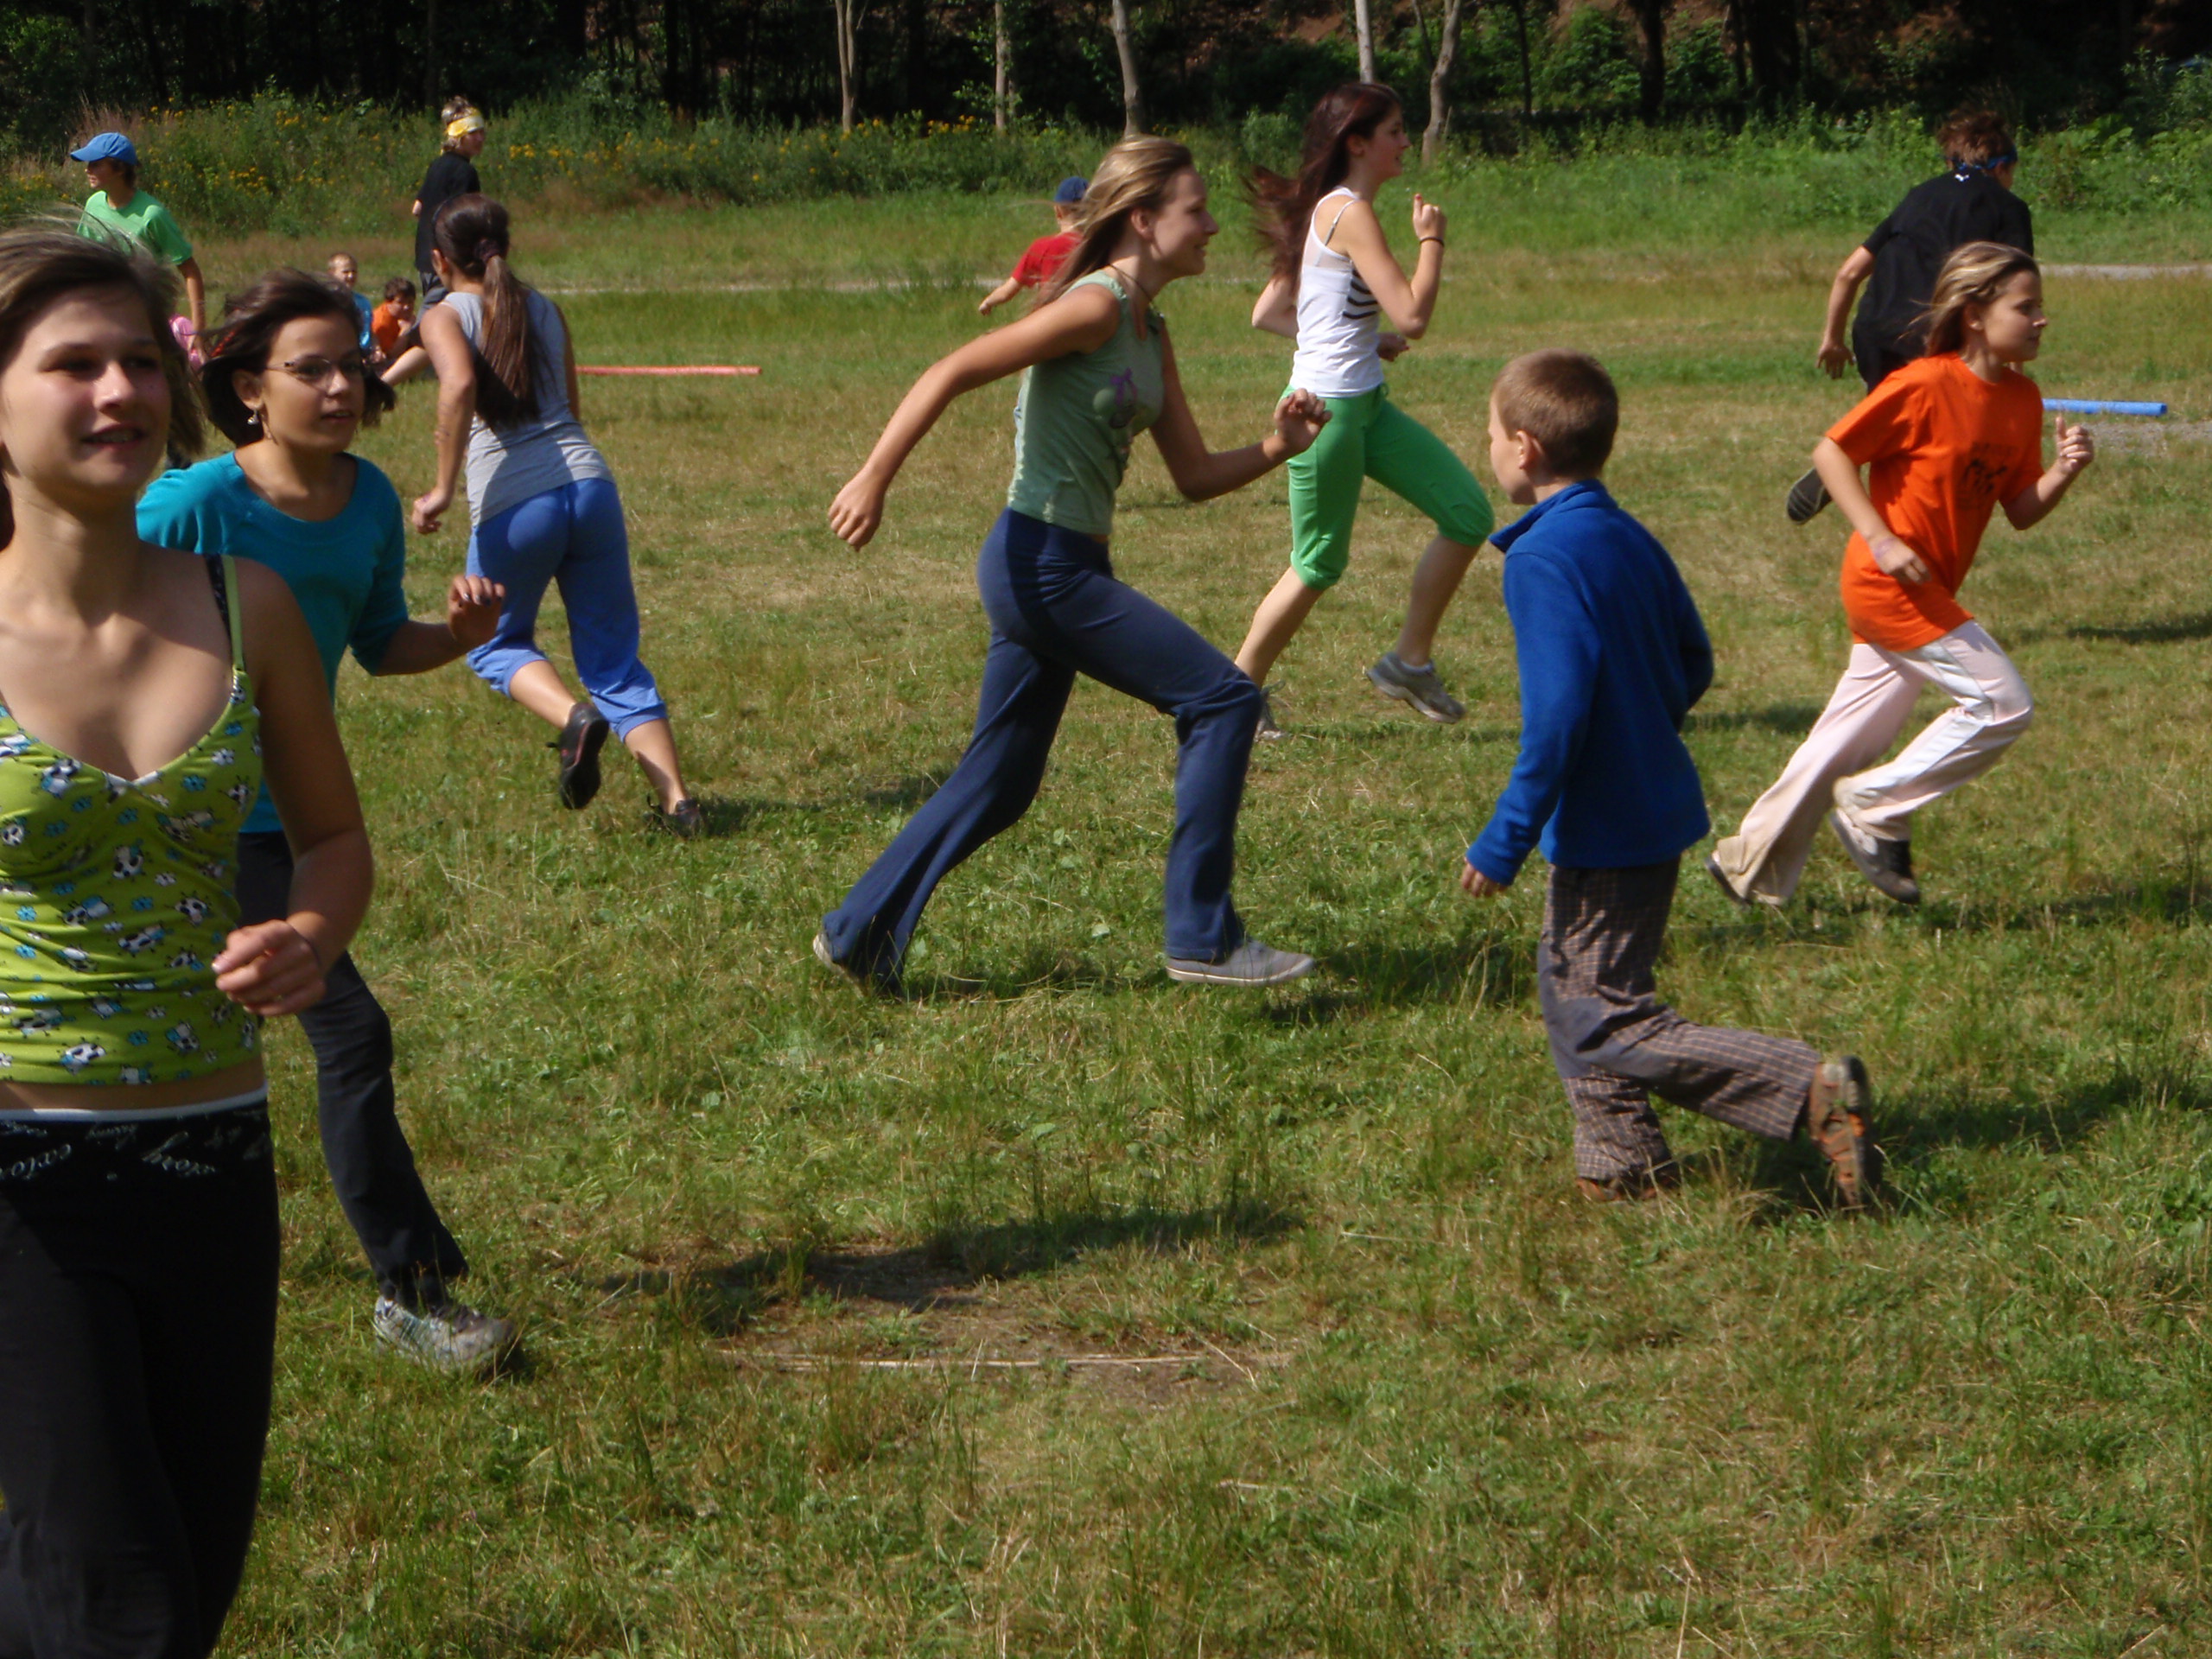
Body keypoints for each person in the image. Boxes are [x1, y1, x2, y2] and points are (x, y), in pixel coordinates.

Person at [0, 226, 372, 1656]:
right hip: (22, 1175)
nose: (119, 392)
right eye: (72, 365)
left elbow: (332, 840)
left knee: (184, 1583)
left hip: (213, 1160)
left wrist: (309, 933)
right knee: (124, 1608)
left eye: (139, 361)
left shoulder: (242, 606)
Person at [817, 137, 1330, 994]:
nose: (1211, 227)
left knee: (1002, 780)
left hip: (1067, 563)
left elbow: (1194, 475)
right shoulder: (1095, 307)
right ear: (1144, 220)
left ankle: (856, 934)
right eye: (1196, 210)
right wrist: (873, 477)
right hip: (1040, 564)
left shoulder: (1150, 329)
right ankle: (1202, 936)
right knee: (1224, 699)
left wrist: (1278, 446)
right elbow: (953, 369)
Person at [138, 268, 521, 1376]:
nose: (342, 386)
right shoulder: (191, 507)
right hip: (176, 822)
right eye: (311, 370)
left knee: (308, 1033)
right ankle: (406, 1288)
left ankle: (400, 1288)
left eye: (351, 365)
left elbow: (377, 642)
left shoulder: (367, 502)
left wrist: (459, 638)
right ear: (249, 390)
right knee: (294, 1036)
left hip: (288, 827)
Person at [1459, 348, 1877, 1209]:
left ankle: (1808, 1085)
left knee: (1600, 1015)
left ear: (1524, 447)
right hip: (1653, 804)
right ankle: (1624, 1162)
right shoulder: (1624, 533)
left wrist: (1504, 840)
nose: (1489, 447)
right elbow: (1693, 659)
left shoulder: (1541, 559)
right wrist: (1644, 728)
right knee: (1575, 988)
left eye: (1491, 434)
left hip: (1604, 822)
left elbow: (1556, 720)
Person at [1709, 244, 2093, 910]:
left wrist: (2063, 470)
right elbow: (1832, 452)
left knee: (1848, 738)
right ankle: (1875, 806)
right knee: (2003, 704)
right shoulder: (1924, 384)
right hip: (1889, 585)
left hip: (1930, 586)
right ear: (1975, 315)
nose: (2041, 320)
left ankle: (1748, 859)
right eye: (2025, 307)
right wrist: (1881, 538)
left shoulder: (2022, 399)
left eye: (2040, 307)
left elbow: (2020, 509)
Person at [411, 194, 702, 833]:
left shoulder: (444, 313)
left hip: (516, 502)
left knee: (492, 642)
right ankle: (679, 804)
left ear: (438, 260)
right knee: (613, 660)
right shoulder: (543, 308)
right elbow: (571, 405)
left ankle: (574, 719)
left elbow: (457, 384)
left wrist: (441, 489)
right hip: (590, 486)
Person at [1235, 83, 1494, 737]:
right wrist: (1432, 242)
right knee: (1318, 563)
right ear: (1357, 142)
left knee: (1468, 514)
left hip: (1367, 405)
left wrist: (1360, 338)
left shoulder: (1329, 209)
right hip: (1326, 415)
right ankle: (1233, 696)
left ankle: (1409, 664)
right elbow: (1413, 315)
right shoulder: (1349, 213)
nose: (1406, 142)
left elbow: (1270, 312)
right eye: (1395, 131)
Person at [1788, 109, 2031, 524]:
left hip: (1874, 329)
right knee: (1943, 429)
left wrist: (1832, 340)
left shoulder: (1918, 196)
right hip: (1935, 334)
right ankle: (1860, 473)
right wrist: (2014, 369)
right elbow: (2013, 294)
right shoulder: (2008, 207)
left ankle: (1851, 458)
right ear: (2003, 167)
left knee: (1895, 415)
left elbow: (1849, 273)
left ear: (1951, 161)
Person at [71, 130, 206, 345]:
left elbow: (190, 271)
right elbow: (82, 260)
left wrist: (198, 329)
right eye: (89, 164)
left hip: (147, 318)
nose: (88, 170)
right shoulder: (94, 205)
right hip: (105, 312)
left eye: (96, 164)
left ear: (120, 168)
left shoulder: (152, 215)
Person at [977, 176, 1087, 316]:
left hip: (1048, 320)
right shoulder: (1098, 245)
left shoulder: (1041, 248)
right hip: (1086, 318)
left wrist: (988, 302)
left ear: (1057, 211)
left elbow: (1007, 291)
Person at [411, 103, 485, 304]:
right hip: (449, 261)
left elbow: (417, 208)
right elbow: (461, 218)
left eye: (482, 132)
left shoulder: (437, 165)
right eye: (473, 133)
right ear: (458, 137)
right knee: (442, 314)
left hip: (427, 256)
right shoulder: (465, 172)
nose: (480, 138)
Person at [326, 251, 378, 362]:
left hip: (365, 353)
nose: (351, 276)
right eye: (345, 272)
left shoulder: (363, 302)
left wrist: (377, 349)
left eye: (354, 272)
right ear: (331, 274)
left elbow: (369, 330)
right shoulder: (328, 301)